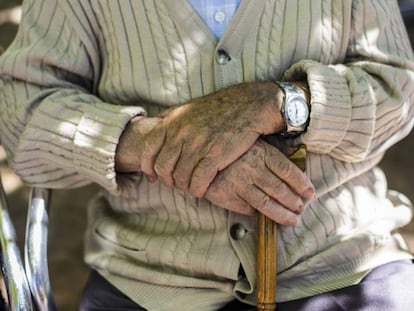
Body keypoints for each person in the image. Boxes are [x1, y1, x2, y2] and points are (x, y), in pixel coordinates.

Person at [1, 0, 414, 310]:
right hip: (150, 275)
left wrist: (282, 103)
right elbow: (19, 107)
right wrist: (154, 143)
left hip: (339, 257)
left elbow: (398, 89)